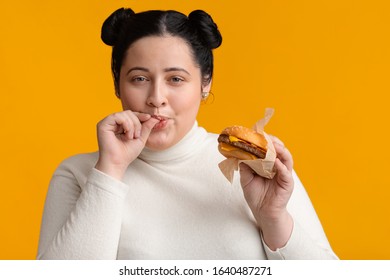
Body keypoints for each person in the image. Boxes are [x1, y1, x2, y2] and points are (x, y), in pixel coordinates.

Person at [37, 7, 338, 260]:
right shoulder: (79, 174)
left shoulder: (255, 167)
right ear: (117, 84)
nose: (157, 97)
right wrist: (111, 170)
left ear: (205, 83)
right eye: (139, 78)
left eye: (176, 79)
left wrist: (274, 219)